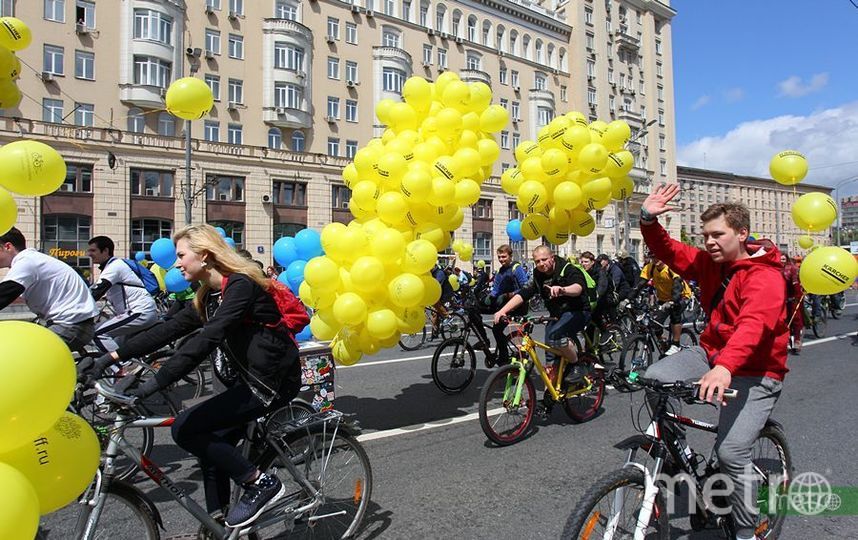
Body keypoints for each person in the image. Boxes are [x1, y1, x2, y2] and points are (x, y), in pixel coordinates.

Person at [80, 225, 303, 527]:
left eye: (182, 255)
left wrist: (155, 384)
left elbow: (209, 338)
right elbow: (166, 330)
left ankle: (259, 482)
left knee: (186, 429)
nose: (176, 263)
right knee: (209, 447)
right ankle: (219, 524)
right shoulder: (209, 295)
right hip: (247, 381)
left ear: (205, 255)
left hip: (269, 384)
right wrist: (109, 357)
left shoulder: (241, 286)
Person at [639, 184, 788, 540]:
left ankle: (746, 531)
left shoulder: (765, 277)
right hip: (712, 353)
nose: (709, 241)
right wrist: (647, 218)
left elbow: (753, 328)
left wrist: (725, 368)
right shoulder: (708, 263)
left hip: (757, 369)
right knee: (653, 378)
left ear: (742, 234)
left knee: (732, 452)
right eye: (705, 235)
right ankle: (683, 462)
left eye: (717, 234)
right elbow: (669, 250)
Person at [493, 245, 590, 381]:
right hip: (556, 315)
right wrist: (502, 310)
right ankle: (551, 392)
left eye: (544, 259)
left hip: (577, 311)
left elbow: (578, 288)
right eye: (537, 261)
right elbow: (523, 293)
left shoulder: (567, 269)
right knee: (549, 352)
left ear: (552, 257)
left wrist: (562, 289)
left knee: (556, 336)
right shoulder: (538, 275)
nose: (541, 264)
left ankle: (576, 365)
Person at [0, 227, 98, 351]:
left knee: (19, 353)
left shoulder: (26, 262)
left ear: (7, 247)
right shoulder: (32, 259)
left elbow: (5, 293)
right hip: (73, 324)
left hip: (70, 327)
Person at [86, 236, 159, 353]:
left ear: (105, 251)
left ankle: (122, 369)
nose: (88, 254)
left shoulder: (114, 267)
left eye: (93, 250)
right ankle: (131, 365)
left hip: (139, 312)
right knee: (118, 347)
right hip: (138, 312)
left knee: (98, 334)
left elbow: (96, 292)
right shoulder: (110, 267)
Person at [633, 251, 692, 356]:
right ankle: (663, 342)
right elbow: (640, 284)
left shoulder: (671, 267)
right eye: (653, 258)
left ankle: (676, 344)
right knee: (655, 323)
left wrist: (673, 301)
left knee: (675, 314)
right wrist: (628, 299)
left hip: (681, 296)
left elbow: (677, 286)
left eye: (658, 257)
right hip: (663, 298)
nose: (655, 260)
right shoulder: (650, 268)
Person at [481, 244, 530, 365]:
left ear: (510, 256)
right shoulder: (500, 271)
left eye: (504, 256)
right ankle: (483, 340)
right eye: (499, 257)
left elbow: (525, 288)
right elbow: (495, 290)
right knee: (476, 310)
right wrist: (486, 298)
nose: (501, 259)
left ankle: (503, 358)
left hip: (517, 306)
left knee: (497, 330)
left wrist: (510, 295)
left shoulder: (516, 268)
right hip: (504, 305)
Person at [780, 253, 803, 354]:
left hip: (793, 297)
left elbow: (796, 284)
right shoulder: (775, 270)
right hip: (781, 299)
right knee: (783, 321)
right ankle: (784, 340)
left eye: (784, 259)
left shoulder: (792, 269)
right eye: (780, 259)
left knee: (796, 320)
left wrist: (797, 297)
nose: (782, 261)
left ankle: (797, 340)